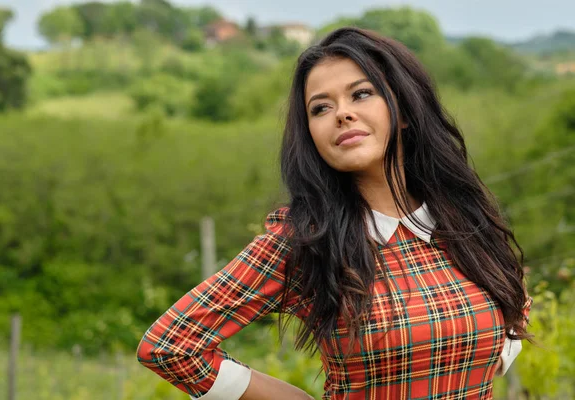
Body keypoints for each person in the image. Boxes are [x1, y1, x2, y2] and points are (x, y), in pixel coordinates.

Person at [137, 27, 534, 400]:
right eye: (321, 107)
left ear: (405, 108)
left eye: (361, 94)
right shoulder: (306, 240)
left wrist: (496, 350)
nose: (342, 114)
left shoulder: (461, 217)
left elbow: (515, 294)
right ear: (311, 134)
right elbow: (170, 346)